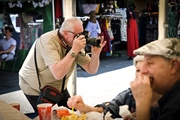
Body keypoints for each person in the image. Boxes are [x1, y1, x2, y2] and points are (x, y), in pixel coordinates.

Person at [19, 17, 106, 113]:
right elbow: (58, 74)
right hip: (35, 87)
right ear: (65, 33)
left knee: (72, 114)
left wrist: (95, 54)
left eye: (83, 33)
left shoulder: (73, 43)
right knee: (49, 116)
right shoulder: (47, 41)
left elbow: (91, 69)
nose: (82, 37)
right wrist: (74, 51)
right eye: (78, 35)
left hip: (59, 88)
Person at [67, 55, 160, 120]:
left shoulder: (171, 100)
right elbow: (107, 110)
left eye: (147, 70)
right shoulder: (130, 95)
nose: (141, 75)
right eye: (138, 70)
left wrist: (142, 103)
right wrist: (84, 107)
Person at [130, 38, 180, 120]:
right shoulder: (170, 96)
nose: (142, 71)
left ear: (173, 66)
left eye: (150, 63)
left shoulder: (176, 105)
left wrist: (142, 103)